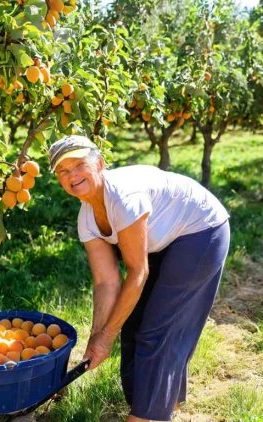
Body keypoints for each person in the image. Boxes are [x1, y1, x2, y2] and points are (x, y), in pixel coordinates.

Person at [49, 135, 230, 422]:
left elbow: (138, 272)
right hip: (164, 241)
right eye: (63, 171)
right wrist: (98, 338)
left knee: (157, 330)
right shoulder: (87, 218)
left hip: (200, 232)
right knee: (133, 326)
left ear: (100, 164)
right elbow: (106, 283)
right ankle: (159, 405)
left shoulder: (123, 197)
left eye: (79, 165)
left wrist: (107, 336)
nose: (73, 176)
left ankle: (147, 416)